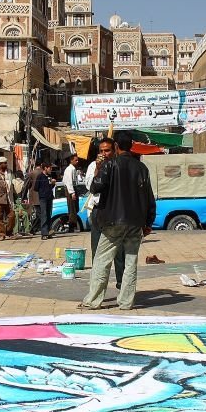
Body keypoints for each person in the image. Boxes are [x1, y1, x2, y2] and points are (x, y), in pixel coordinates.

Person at [81, 133, 155, 311]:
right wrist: (148, 223)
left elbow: (95, 187)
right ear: (131, 145)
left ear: (115, 146)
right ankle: (126, 302)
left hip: (113, 221)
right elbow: (149, 197)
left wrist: (98, 168)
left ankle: (93, 300)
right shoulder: (141, 168)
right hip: (135, 222)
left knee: (102, 261)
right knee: (130, 262)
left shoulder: (110, 165)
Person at [85, 138, 124, 285]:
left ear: (114, 150)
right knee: (97, 251)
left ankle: (121, 283)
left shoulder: (119, 165)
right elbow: (90, 187)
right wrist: (98, 169)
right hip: (98, 211)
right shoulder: (92, 166)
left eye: (107, 150)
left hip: (116, 212)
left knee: (119, 252)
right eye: (101, 151)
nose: (104, 153)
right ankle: (98, 285)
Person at [34, 162, 55, 239]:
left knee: (49, 214)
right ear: (45, 168)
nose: (51, 169)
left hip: (49, 197)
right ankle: (44, 233)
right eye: (50, 168)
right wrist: (42, 190)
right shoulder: (40, 176)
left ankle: (49, 231)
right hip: (43, 198)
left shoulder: (49, 176)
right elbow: (36, 188)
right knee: (44, 214)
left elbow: (50, 187)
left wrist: (52, 184)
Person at [62, 154, 82, 228]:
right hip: (70, 190)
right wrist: (72, 192)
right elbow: (69, 182)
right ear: (71, 160)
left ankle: (72, 224)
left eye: (77, 160)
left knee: (75, 208)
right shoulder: (70, 169)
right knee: (72, 208)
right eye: (75, 160)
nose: (77, 162)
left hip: (73, 188)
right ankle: (72, 225)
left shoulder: (73, 169)